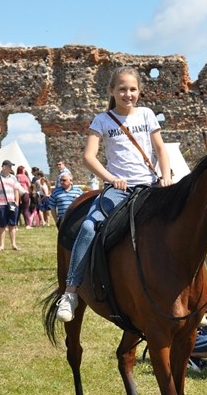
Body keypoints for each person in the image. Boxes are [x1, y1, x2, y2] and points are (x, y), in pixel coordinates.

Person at [56, 65, 172, 322]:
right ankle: (71, 291)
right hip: (119, 189)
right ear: (111, 91)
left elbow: (161, 149)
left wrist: (166, 176)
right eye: (122, 89)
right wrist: (111, 179)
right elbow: (89, 156)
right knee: (88, 227)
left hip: (150, 186)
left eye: (132, 89)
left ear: (139, 91)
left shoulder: (147, 115)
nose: (127, 94)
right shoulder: (102, 120)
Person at [0, 160, 22, 252]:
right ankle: (1, 245)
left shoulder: (13, 178)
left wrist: (16, 202)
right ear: (4, 167)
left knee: (12, 224)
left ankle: (14, 244)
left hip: (12, 203)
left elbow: (16, 190)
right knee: (2, 225)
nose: (11, 169)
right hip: (2, 204)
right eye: (9, 167)